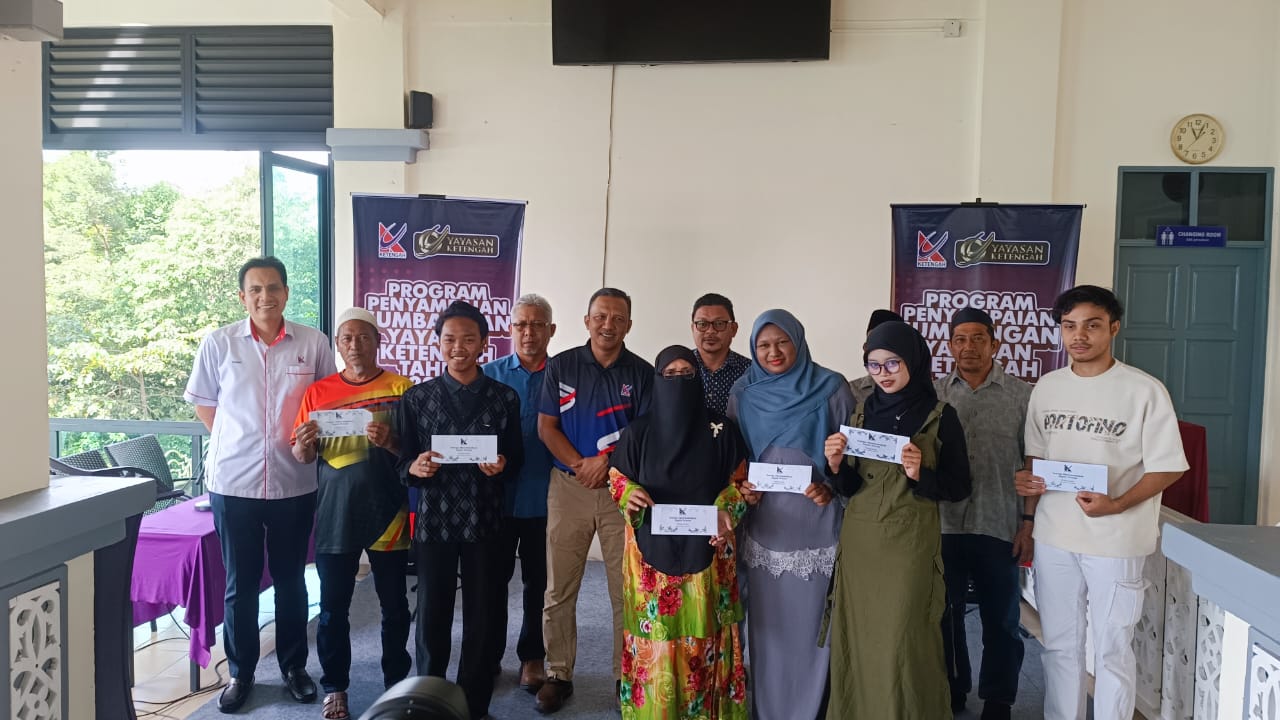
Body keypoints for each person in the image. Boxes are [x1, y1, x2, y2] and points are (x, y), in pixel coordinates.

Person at [1016, 286, 1187, 720]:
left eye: (1091, 325)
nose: (1079, 336)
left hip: (1116, 538)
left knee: (1111, 648)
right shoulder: (1048, 388)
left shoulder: (1143, 390)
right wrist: (1028, 503)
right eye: (1069, 326)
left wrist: (1118, 504)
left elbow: (1168, 467)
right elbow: (1037, 457)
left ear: (1113, 328)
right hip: (1055, 535)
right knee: (1060, 645)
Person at [184, 256, 336, 713]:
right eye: (255, 289)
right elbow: (205, 404)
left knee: (292, 581)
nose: (264, 297)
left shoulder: (313, 343)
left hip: (295, 481)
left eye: (273, 288)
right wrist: (239, 441)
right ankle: (241, 673)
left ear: (286, 293)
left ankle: (293, 667)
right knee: (241, 584)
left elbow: (326, 404)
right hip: (234, 483)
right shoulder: (219, 343)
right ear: (242, 297)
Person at [823, 320, 972, 719]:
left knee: (904, 639)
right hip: (860, 544)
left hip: (909, 546)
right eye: (874, 365)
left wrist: (921, 473)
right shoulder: (860, 412)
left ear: (913, 361)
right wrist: (834, 465)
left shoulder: (940, 415)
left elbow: (959, 487)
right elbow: (851, 486)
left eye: (893, 363)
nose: (883, 374)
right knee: (858, 637)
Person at [396, 300, 525, 720]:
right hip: (434, 522)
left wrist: (503, 465)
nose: (458, 347)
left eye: (468, 339)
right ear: (437, 343)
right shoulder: (417, 398)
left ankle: (474, 703)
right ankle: (428, 700)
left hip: (485, 521)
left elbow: (516, 459)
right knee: (431, 616)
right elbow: (402, 461)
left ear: (484, 343)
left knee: (481, 617)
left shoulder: (504, 398)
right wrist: (414, 467)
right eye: (449, 339)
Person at [609, 345, 751, 720]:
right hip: (650, 562)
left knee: (703, 642)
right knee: (655, 642)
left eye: (686, 374)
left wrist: (726, 512)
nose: (678, 382)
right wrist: (629, 493)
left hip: (707, 556)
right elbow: (617, 478)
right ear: (657, 380)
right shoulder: (638, 432)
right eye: (669, 375)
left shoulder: (721, 431)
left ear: (697, 379)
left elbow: (740, 484)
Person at [726, 309, 853, 720]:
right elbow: (735, 457)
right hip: (766, 525)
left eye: (782, 342)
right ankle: (769, 710)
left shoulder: (832, 388)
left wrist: (830, 486)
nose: (774, 352)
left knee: (815, 625)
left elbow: (853, 459)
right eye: (764, 345)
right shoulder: (743, 393)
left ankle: (813, 709)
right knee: (769, 626)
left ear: (798, 341)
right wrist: (742, 487)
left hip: (817, 522)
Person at [535, 288, 654, 714]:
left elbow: (645, 436)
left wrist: (605, 464)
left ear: (629, 325)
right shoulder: (562, 365)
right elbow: (547, 427)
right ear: (587, 321)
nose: (608, 325)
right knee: (559, 588)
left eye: (618, 318)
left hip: (622, 492)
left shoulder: (642, 373)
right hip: (568, 487)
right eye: (600, 316)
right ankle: (558, 673)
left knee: (625, 590)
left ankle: (626, 676)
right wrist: (580, 464)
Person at [291, 307, 413, 720]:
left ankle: (396, 682)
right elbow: (302, 455)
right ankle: (335, 687)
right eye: (347, 338)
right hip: (335, 514)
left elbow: (414, 452)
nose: (355, 345)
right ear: (338, 346)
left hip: (389, 512)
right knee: (332, 607)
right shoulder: (318, 392)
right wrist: (304, 443)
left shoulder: (401, 389)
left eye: (363, 337)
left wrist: (391, 440)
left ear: (378, 341)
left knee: (394, 604)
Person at [933, 308, 1033, 720]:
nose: (968, 346)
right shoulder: (935, 394)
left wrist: (1027, 524)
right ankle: (953, 688)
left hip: (1000, 523)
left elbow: (1033, 463)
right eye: (960, 339)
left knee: (1002, 619)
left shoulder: (1022, 396)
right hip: (943, 524)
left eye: (978, 338)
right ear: (949, 345)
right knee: (945, 614)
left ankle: (999, 699)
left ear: (995, 344)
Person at [481, 294, 557, 693]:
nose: (529, 333)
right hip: (495, 498)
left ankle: (532, 656)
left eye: (537, 325)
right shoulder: (488, 375)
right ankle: (489, 654)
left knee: (538, 583)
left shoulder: (563, 376)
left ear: (551, 330)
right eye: (521, 325)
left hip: (547, 497)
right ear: (510, 330)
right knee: (493, 581)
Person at [690, 293, 750, 414]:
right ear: (693, 328)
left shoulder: (750, 371)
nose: (710, 331)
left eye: (719, 324)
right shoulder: (679, 369)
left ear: (733, 329)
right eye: (702, 324)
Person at [849, 309, 903, 404]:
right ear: (865, 348)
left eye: (886, 345)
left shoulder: (924, 394)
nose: (877, 352)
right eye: (872, 344)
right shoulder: (851, 391)